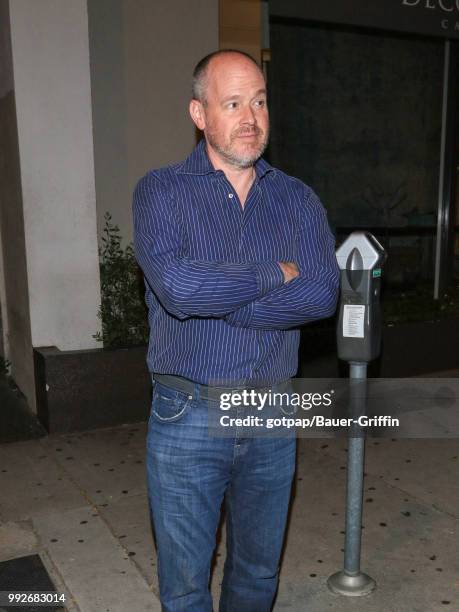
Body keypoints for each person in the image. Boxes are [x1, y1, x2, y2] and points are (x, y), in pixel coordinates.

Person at [133, 49, 339, 612]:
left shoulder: (296, 199)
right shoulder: (162, 192)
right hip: (188, 413)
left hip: (271, 413)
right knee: (185, 584)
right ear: (199, 113)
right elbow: (177, 288)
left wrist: (227, 303)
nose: (251, 116)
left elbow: (322, 291)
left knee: (256, 575)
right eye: (233, 103)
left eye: (260, 101)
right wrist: (275, 273)